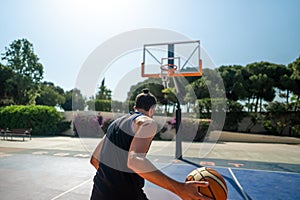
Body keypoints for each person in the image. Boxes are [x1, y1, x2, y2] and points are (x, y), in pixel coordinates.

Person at [90, 88, 211, 200]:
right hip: (126, 195)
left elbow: (94, 160)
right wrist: (180, 188)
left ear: (134, 107)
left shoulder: (114, 124)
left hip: (99, 192)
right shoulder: (147, 122)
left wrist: (111, 180)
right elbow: (134, 160)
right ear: (152, 110)